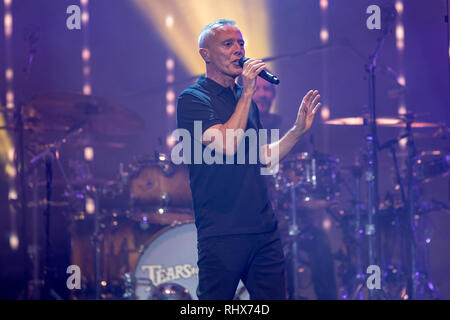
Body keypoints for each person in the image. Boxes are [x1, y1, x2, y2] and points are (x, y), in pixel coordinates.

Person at [176, 19, 321, 300]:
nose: (238, 50)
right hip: (221, 232)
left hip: (263, 230)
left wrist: (297, 131)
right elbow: (227, 144)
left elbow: (264, 159)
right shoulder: (192, 99)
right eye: (227, 44)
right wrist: (249, 91)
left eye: (241, 43)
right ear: (205, 54)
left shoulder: (246, 99)